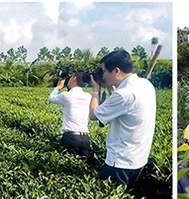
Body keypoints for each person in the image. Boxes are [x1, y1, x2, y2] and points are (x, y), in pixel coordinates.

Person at [89, 49, 156, 187]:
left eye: (105, 71)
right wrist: (109, 87)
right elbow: (123, 105)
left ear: (116, 71)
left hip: (119, 163)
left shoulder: (124, 95)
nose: (103, 75)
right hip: (139, 160)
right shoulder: (146, 85)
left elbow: (94, 115)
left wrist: (95, 91)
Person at [48, 72, 92, 156]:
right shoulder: (88, 96)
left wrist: (58, 87)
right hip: (85, 139)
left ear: (74, 78)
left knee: (67, 166)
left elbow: (51, 99)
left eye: (71, 77)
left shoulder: (67, 95)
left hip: (71, 138)